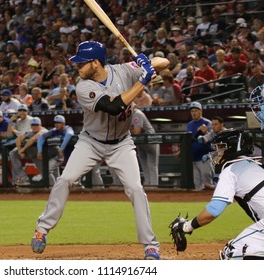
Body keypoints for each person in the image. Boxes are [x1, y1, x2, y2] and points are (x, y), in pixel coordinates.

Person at [31, 40, 167, 260]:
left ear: (95, 63)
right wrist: (143, 80)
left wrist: (148, 63)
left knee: (135, 189)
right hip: (91, 143)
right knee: (66, 179)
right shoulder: (83, 86)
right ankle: (42, 229)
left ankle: (150, 246)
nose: (77, 67)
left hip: (122, 143)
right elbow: (114, 107)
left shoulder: (124, 71)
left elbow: (165, 61)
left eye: (81, 63)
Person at [178, 129, 264, 259]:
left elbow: (214, 210)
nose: (218, 153)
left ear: (233, 148)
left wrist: (187, 227)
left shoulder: (230, 169)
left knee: (233, 252)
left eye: (221, 148)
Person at [35, 115, 74, 185]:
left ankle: (79, 187)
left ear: (63, 123)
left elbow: (69, 134)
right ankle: (56, 187)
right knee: (53, 172)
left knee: (74, 172)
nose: (56, 124)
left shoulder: (67, 128)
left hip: (71, 153)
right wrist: (39, 150)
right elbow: (41, 137)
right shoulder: (54, 130)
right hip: (59, 155)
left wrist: (62, 148)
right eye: (55, 123)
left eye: (58, 123)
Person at [9, 117, 48, 186]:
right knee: (13, 153)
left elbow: (32, 139)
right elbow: (18, 139)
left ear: (40, 125)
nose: (34, 127)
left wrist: (22, 150)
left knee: (47, 176)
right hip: (31, 152)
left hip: (41, 155)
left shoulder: (43, 131)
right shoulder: (30, 131)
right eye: (33, 125)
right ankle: (23, 177)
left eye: (36, 125)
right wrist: (20, 150)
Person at [187, 101, 214, 191]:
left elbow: (212, 138)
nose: (194, 113)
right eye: (192, 111)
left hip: (204, 156)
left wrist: (205, 131)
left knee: (207, 181)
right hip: (193, 157)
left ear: (200, 111)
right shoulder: (190, 124)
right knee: (197, 184)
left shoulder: (207, 123)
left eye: (196, 110)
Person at [131, 108, 160, 187]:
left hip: (150, 141)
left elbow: (136, 132)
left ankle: (154, 187)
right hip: (141, 143)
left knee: (152, 166)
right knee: (144, 167)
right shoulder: (127, 115)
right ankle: (147, 186)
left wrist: (129, 130)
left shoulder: (137, 113)